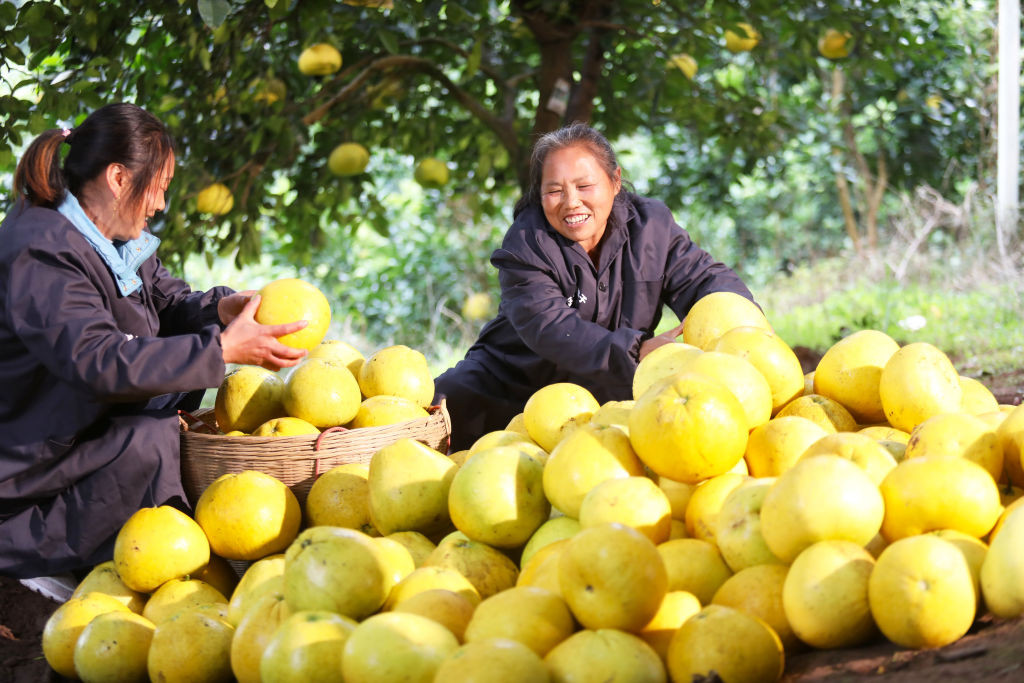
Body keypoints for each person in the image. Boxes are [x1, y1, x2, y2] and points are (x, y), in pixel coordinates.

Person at [0, 103, 308, 596]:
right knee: (150, 441)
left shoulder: (116, 238)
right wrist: (223, 349)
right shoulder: (41, 250)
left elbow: (167, 302)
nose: (161, 203)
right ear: (119, 178)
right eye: (159, 185)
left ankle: (130, 546)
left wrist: (219, 310)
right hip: (28, 464)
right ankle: (37, 554)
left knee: (164, 423)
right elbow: (96, 359)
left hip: (83, 429)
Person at [434, 122, 756, 451]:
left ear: (615, 181)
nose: (571, 202)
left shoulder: (652, 228)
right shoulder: (527, 242)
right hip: (509, 386)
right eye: (554, 191)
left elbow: (704, 278)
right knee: (439, 411)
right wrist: (635, 350)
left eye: (584, 185)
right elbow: (550, 327)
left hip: (604, 394)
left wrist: (743, 328)